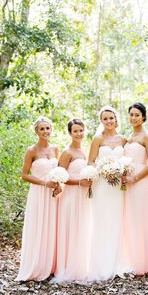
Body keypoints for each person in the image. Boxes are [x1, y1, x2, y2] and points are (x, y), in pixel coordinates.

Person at [87, 106, 128, 282]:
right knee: (102, 220)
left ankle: (117, 262)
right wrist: (101, 170)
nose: (109, 121)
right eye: (105, 119)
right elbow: (90, 161)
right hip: (102, 185)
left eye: (111, 118)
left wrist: (123, 170)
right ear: (101, 121)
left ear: (116, 119)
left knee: (117, 220)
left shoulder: (123, 139)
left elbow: (127, 160)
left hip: (118, 186)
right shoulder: (97, 139)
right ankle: (101, 264)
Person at [16, 116, 59, 281]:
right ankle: (36, 265)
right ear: (36, 131)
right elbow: (24, 175)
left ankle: (51, 265)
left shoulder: (55, 149)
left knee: (52, 227)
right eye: (42, 129)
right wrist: (43, 182)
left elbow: (59, 170)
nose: (45, 131)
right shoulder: (31, 151)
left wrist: (57, 184)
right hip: (38, 194)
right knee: (38, 227)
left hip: (53, 195)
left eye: (47, 128)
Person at [53, 119, 92, 282]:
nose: (79, 134)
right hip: (70, 196)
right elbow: (60, 178)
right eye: (75, 131)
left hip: (84, 197)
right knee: (71, 229)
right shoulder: (67, 153)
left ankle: (81, 265)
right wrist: (79, 183)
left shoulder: (85, 151)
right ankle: (67, 267)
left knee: (82, 228)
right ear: (70, 133)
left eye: (81, 130)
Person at [123, 102, 148, 275]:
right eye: (131, 114)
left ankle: (144, 262)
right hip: (127, 181)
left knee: (140, 217)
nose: (133, 118)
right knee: (129, 218)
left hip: (140, 181)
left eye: (137, 115)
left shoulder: (146, 136)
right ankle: (130, 258)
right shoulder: (129, 136)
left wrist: (136, 177)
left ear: (143, 117)